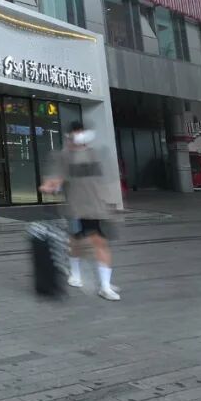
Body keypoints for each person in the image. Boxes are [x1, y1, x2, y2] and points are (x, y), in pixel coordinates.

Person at [41, 121, 122, 301]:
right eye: (76, 134)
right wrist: (49, 186)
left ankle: (105, 286)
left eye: (82, 133)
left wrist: (113, 202)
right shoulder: (64, 156)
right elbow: (55, 179)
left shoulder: (97, 154)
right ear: (69, 136)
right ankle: (75, 273)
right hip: (75, 208)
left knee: (100, 243)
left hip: (97, 208)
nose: (80, 137)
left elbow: (109, 179)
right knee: (76, 243)